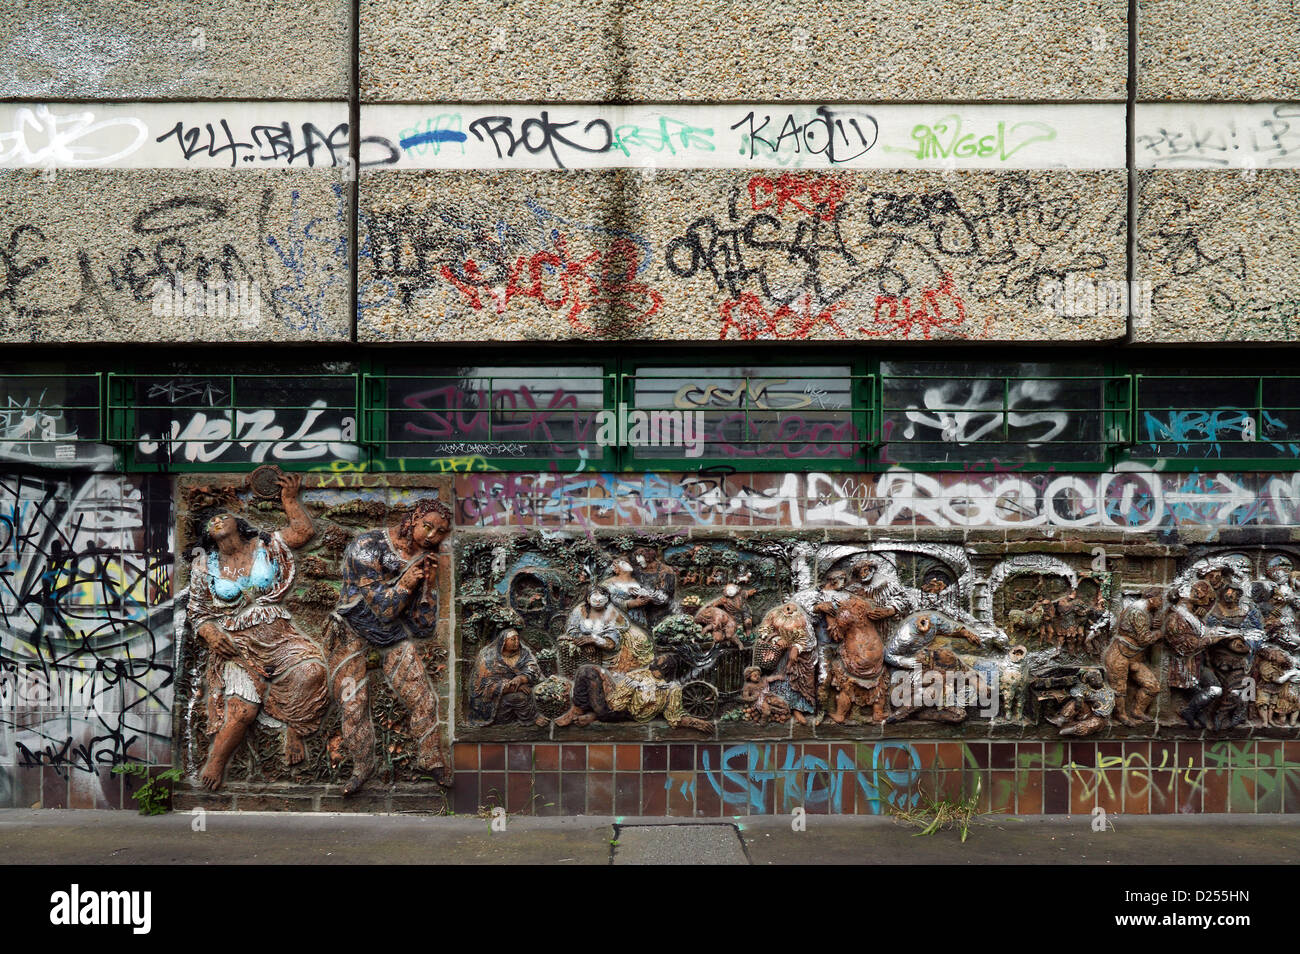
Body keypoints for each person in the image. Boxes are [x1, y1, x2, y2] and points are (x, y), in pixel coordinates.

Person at [189, 473, 329, 791]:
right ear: (208, 536)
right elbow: (197, 611)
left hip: (278, 632)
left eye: (224, 515)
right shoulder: (204, 567)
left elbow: (303, 531)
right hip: (237, 641)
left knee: (312, 670)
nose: (218, 519)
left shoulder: (265, 544)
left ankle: (295, 725)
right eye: (212, 520)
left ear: (239, 523)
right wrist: (210, 633)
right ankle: (216, 761)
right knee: (244, 710)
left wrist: (290, 500)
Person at [328, 498, 454, 795]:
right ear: (412, 518)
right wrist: (407, 583)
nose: (432, 537)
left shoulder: (424, 559)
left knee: (423, 697)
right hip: (351, 630)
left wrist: (430, 586)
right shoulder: (367, 546)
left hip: (391, 636)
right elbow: (382, 608)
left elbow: (424, 627)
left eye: (440, 532)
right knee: (352, 703)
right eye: (428, 527)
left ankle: (431, 760)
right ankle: (362, 766)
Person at [1103, 587, 1165, 726]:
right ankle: (1121, 715)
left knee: (1152, 686)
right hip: (1119, 654)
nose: (1161, 603)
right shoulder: (1138, 610)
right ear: (1151, 599)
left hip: (1135, 656)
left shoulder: (1147, 610)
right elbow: (1145, 639)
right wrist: (1158, 633)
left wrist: (1153, 625)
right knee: (1119, 688)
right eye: (1160, 599)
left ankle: (1137, 711)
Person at [468, 627, 545, 727]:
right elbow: (483, 686)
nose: (517, 642)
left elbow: (533, 670)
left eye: (518, 639)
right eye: (513, 639)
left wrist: (520, 678)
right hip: (492, 703)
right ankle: (531, 720)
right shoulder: (489, 657)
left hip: (519, 691)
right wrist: (515, 687)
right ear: (503, 641)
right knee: (519, 697)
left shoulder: (523, 654)